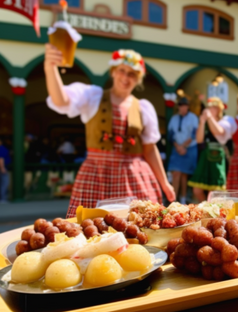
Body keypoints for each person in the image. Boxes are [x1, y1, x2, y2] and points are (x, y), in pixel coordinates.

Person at [44, 46, 175, 217]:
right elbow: (61, 100)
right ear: (113, 72)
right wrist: (50, 67)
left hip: (134, 176)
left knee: (138, 226)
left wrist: (164, 183)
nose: (126, 77)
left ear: (138, 79)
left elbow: (149, 148)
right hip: (96, 175)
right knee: (90, 227)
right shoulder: (93, 97)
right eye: (122, 70)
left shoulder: (143, 107)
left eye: (132, 74)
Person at [188, 97, 227, 202]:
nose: (209, 109)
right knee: (197, 190)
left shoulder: (224, 121)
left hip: (217, 158)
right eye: (209, 107)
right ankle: (205, 207)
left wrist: (209, 118)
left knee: (214, 192)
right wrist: (202, 122)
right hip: (205, 157)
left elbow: (218, 131)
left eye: (213, 107)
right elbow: (199, 140)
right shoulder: (205, 122)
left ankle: (213, 212)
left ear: (219, 109)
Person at [167, 96, 199, 204]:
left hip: (189, 149)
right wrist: (178, 146)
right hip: (177, 148)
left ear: (188, 107)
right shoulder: (174, 118)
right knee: (176, 173)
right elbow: (171, 136)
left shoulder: (193, 118)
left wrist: (183, 146)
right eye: (180, 105)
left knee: (184, 175)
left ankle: (183, 200)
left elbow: (194, 135)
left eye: (184, 105)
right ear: (178, 107)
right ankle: (173, 200)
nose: (182, 107)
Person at [0, 138, 11, 203]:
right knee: (5, 183)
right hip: (2, 169)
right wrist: (2, 168)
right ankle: (3, 199)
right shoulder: (1, 148)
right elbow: (1, 159)